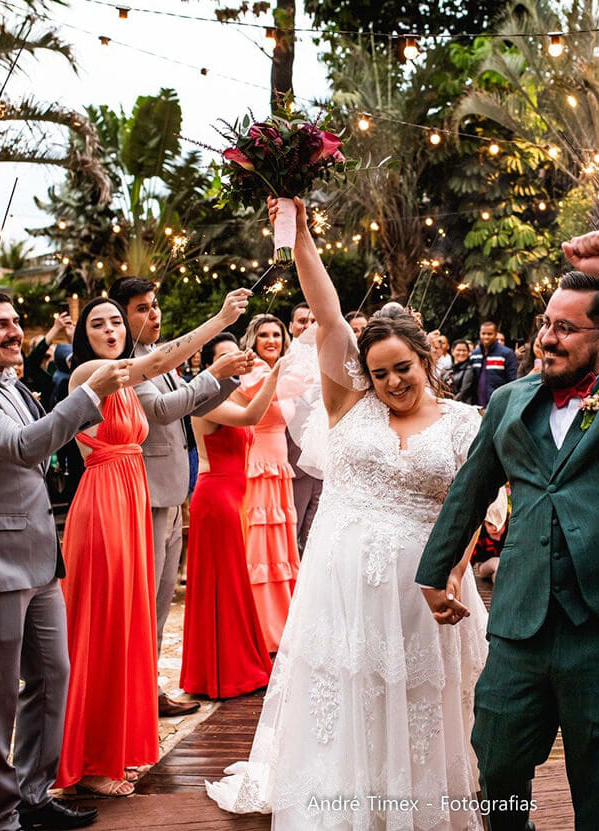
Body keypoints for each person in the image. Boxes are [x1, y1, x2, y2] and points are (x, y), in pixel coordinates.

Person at [208, 199, 489, 828]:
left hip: (424, 591)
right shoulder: (347, 404)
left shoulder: (463, 422)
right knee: (349, 691)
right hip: (343, 588)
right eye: (379, 372)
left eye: (403, 368)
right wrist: (301, 236)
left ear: (426, 359)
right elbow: (330, 313)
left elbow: (467, 511)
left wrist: (450, 574)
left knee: (419, 701)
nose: (392, 382)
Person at [417, 234, 599, 830]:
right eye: (546, 323)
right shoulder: (509, 401)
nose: (547, 337)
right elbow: (471, 487)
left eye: (566, 328)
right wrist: (435, 570)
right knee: (497, 763)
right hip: (523, 617)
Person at [0, 288, 135, 831]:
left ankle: (34, 795)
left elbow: (39, 450)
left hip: (39, 556)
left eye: (15, 321)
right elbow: (25, 446)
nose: (14, 332)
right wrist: (90, 393)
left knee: (52, 676)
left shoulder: (11, 383)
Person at [55, 290, 250, 796]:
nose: (110, 330)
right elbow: (159, 365)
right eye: (98, 324)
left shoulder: (127, 374)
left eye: (115, 322)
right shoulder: (90, 375)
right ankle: (90, 761)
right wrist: (220, 321)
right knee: (103, 626)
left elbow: (163, 372)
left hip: (132, 494)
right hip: (104, 501)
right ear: (84, 336)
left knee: (130, 625)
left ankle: (115, 749)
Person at [107, 278, 245, 719]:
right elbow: (163, 410)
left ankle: (148, 689)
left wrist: (227, 379)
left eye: (155, 305)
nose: (155, 314)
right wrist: (212, 374)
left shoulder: (159, 357)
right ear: (121, 316)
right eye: (142, 308)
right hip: (145, 493)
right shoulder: (128, 365)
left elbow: (191, 405)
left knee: (163, 600)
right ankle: (133, 694)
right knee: (144, 602)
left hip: (172, 491)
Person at [182, 332, 279, 699]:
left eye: (236, 353)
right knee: (222, 587)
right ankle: (225, 674)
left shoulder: (235, 393)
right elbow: (253, 416)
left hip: (235, 498)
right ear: (210, 363)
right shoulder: (205, 399)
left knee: (235, 584)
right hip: (216, 500)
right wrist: (276, 372)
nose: (235, 360)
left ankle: (236, 666)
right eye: (224, 356)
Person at [234, 313, 300, 652]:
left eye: (276, 334)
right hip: (258, 464)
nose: (271, 340)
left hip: (279, 465)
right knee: (260, 545)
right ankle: (262, 625)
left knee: (279, 544)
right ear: (253, 340)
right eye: (264, 335)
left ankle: (284, 620)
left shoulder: (281, 372)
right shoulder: (254, 372)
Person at [285, 304, 324, 556]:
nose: (308, 326)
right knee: (294, 525)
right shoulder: (285, 359)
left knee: (315, 528)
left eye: (313, 321)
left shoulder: (326, 356)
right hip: (293, 456)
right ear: (291, 326)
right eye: (302, 321)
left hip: (323, 458)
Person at [470, 320, 519, 406]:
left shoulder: (507, 353)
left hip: (498, 402)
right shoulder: (474, 354)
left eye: (489, 334)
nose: (486, 337)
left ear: (496, 334)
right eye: (483, 333)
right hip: (477, 403)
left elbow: (513, 380)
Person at [448, 338, 478, 404]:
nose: (461, 353)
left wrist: (450, 403)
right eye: (458, 350)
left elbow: (464, 392)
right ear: (452, 351)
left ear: (468, 353)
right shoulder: (447, 370)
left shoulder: (470, 369)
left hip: (463, 406)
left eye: (464, 350)